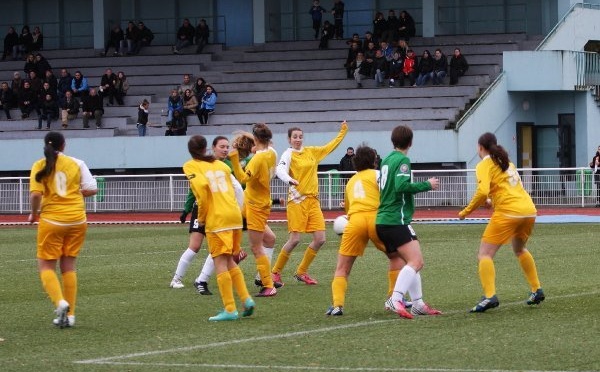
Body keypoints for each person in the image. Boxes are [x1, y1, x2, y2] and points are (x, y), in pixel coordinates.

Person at [459, 132, 544, 313]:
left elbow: (482, 191)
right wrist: (490, 202)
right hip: (528, 210)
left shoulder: (484, 164)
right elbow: (504, 188)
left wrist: (466, 211)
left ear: (480, 147)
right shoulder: (507, 162)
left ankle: (490, 296)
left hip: (509, 213)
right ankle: (536, 289)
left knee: (484, 255)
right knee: (520, 249)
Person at [326, 145, 409, 316]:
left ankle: (337, 305)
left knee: (342, 267)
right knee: (396, 256)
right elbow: (389, 194)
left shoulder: (350, 182)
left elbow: (348, 210)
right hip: (377, 219)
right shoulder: (378, 175)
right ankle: (393, 299)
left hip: (355, 221)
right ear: (374, 161)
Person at [28, 131, 98, 328]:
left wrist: (34, 214)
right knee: (69, 267)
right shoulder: (76, 163)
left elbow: (35, 195)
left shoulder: (40, 165)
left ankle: (60, 302)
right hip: (77, 219)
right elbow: (91, 188)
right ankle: (71, 315)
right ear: (64, 145)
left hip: (53, 220)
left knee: (46, 267)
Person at [184, 135, 255, 321]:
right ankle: (247, 300)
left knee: (220, 263)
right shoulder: (221, 165)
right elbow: (239, 189)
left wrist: (201, 217)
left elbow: (201, 187)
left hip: (218, 219)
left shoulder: (191, 165)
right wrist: (240, 212)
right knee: (230, 261)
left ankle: (230, 309)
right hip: (234, 216)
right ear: (208, 147)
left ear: (191, 151)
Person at [376, 125, 442, 319]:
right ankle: (395, 299)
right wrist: (427, 185)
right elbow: (401, 186)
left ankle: (418, 303)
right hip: (396, 219)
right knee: (416, 261)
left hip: (384, 219)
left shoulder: (387, 159)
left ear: (393, 141)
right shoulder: (403, 159)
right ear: (410, 142)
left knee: (410, 261)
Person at [272, 121, 348, 286]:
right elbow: (279, 170)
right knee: (294, 240)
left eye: (300, 137)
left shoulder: (312, 151)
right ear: (289, 139)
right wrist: (289, 179)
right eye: (294, 137)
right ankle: (275, 273)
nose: (298, 139)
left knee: (320, 239)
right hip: (297, 201)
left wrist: (342, 132)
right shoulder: (288, 154)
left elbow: (331, 146)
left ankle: (301, 272)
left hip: (313, 201)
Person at [170, 136, 247, 293]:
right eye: (222, 146)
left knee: (218, 249)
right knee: (195, 246)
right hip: (204, 209)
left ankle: (202, 280)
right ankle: (177, 278)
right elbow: (196, 189)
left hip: (221, 212)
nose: (225, 149)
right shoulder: (203, 164)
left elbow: (240, 186)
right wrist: (187, 208)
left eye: (227, 146)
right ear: (212, 148)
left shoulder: (227, 166)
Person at [228, 123, 279, 297]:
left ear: (257, 139)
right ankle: (235, 252)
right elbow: (264, 149)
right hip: (256, 202)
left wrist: (234, 158)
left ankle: (268, 284)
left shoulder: (257, 159)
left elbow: (243, 177)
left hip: (256, 205)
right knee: (233, 220)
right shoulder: (272, 153)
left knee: (256, 247)